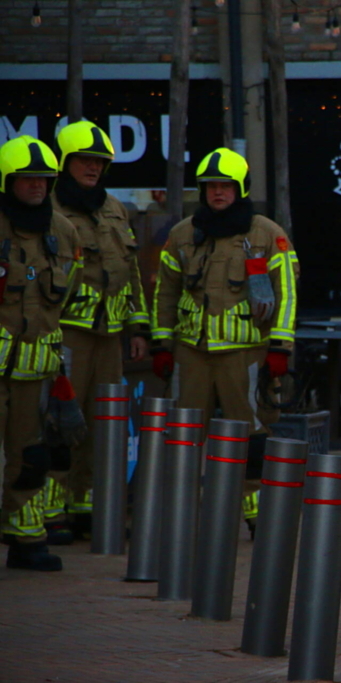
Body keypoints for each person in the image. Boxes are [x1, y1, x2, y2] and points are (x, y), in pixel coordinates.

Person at [151, 147, 299, 534]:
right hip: (191, 353)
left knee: (251, 433)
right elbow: (165, 293)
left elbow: (287, 294)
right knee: (184, 432)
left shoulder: (267, 235)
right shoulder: (182, 234)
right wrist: (161, 345)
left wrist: (280, 349)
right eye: (211, 186)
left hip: (245, 353)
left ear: (241, 190)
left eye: (226, 186)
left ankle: (256, 513)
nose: (217, 193)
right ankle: (181, 512)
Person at [41, 120, 149, 543]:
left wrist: (138, 326)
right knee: (59, 420)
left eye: (100, 162)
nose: (93, 168)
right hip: (65, 332)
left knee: (103, 425)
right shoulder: (47, 209)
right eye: (85, 160)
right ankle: (50, 510)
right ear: (66, 163)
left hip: (109, 335)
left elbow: (132, 271)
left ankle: (86, 505)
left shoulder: (114, 208)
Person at [0, 135, 82, 571]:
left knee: (30, 456)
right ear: (7, 181)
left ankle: (25, 538)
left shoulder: (64, 231)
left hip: (35, 369)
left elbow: (67, 294)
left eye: (44, 179)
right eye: (27, 179)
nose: (36, 186)